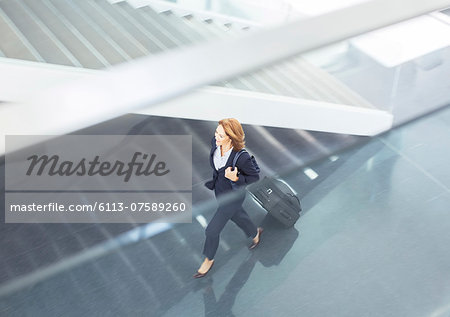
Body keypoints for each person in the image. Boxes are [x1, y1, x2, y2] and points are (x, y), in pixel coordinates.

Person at [194, 118, 263, 278]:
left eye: (220, 135)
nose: (215, 137)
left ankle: (209, 259)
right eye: (216, 132)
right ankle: (255, 233)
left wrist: (236, 178)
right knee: (238, 217)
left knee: (212, 230)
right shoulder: (215, 144)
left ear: (231, 138)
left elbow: (254, 178)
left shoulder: (242, 157)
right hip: (220, 192)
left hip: (233, 196)